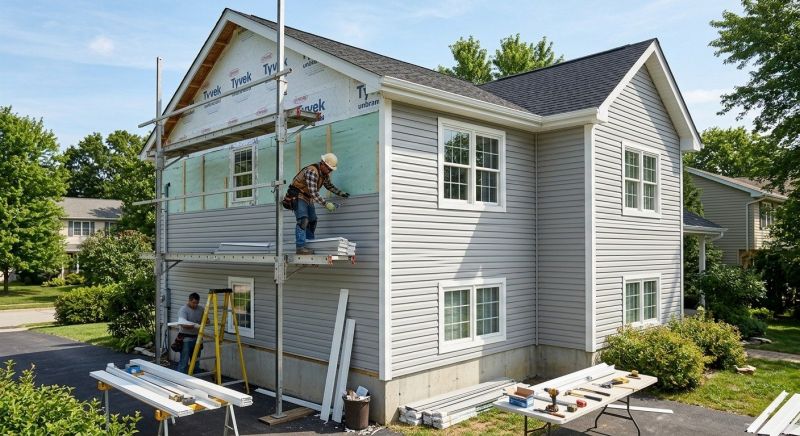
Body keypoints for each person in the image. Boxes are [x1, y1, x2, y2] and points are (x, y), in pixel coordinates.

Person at [286, 153, 349, 254]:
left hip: (308, 197)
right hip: (298, 195)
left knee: (312, 221)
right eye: (328, 168)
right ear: (323, 164)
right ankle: (300, 247)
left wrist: (341, 193)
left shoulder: (324, 175)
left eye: (331, 170)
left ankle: (310, 245)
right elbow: (313, 192)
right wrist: (326, 204)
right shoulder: (312, 171)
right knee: (303, 220)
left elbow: (329, 186)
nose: (329, 171)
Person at [176, 292, 204, 373]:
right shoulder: (183, 309)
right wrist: (195, 326)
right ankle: (180, 379)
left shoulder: (201, 309)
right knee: (184, 361)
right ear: (189, 300)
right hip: (186, 338)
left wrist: (206, 321)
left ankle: (195, 379)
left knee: (196, 360)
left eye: (197, 303)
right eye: (193, 303)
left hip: (197, 337)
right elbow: (183, 324)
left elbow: (206, 319)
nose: (195, 305)